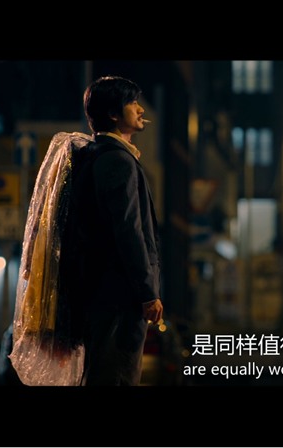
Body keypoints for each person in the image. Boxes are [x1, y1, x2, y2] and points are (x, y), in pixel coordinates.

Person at [76, 75, 164, 385]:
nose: (140, 110)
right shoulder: (117, 161)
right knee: (117, 375)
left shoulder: (98, 156)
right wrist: (147, 293)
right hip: (120, 297)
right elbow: (128, 230)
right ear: (113, 114)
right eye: (132, 103)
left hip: (105, 293)